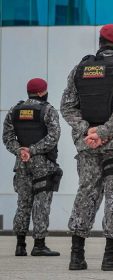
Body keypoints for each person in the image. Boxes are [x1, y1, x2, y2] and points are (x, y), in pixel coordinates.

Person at [61, 24, 113, 271]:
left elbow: (67, 107)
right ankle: (111, 257)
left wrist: (87, 130)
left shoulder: (79, 68)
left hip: (87, 145)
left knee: (86, 193)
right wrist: (104, 132)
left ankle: (77, 256)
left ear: (100, 42)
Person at [2, 78, 61, 257]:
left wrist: (20, 151)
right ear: (43, 92)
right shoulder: (48, 110)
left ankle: (20, 245)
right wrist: (33, 150)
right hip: (42, 163)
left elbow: (7, 137)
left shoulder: (14, 111)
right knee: (41, 204)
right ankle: (39, 245)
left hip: (22, 163)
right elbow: (53, 136)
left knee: (23, 203)